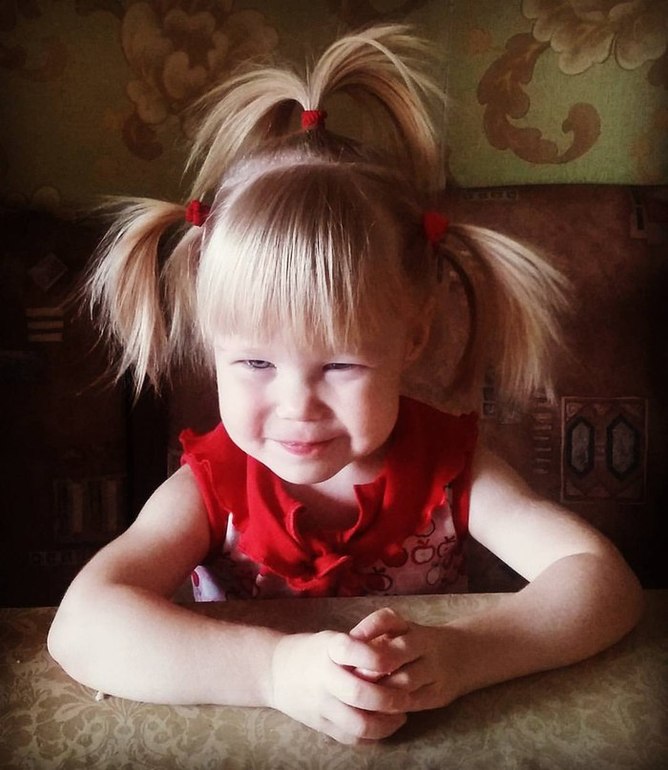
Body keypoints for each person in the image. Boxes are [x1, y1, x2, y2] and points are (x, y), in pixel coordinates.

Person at [48, 25, 642, 745]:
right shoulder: (210, 489)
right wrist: (275, 673)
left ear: (411, 337)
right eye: (255, 364)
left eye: (340, 365)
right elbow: (81, 628)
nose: (297, 406)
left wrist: (469, 654)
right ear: (212, 348)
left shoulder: (451, 469)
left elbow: (603, 582)